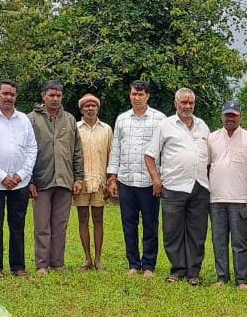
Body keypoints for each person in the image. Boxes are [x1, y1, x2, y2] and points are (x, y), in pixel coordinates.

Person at [144, 88, 210, 286]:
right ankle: (178, 269)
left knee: (197, 231)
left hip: (199, 186)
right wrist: (156, 180)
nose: (187, 106)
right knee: (172, 230)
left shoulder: (203, 126)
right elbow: (149, 155)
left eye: (191, 103)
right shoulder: (166, 125)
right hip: (173, 186)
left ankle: (193, 272)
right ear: (176, 104)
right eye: (184, 103)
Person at [0, 80, 38, 278]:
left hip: (20, 182)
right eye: (5, 93)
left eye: (12, 94)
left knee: (17, 225)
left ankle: (18, 266)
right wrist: (3, 176)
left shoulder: (23, 120)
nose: (8, 97)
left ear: (16, 96)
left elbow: (31, 148)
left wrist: (21, 175)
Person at [106, 80, 167, 278]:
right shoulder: (122, 119)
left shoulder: (159, 119)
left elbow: (165, 151)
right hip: (126, 180)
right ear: (130, 95)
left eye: (141, 95)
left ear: (147, 96)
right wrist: (113, 177)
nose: (137, 98)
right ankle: (133, 264)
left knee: (150, 224)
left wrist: (161, 178)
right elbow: (116, 149)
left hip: (150, 182)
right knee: (129, 224)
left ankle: (148, 265)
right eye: (134, 94)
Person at [28, 80, 84, 274]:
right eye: (51, 95)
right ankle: (42, 265)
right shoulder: (31, 119)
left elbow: (77, 149)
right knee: (42, 225)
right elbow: (25, 151)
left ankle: (57, 263)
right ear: (44, 96)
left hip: (65, 179)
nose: (55, 98)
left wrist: (78, 177)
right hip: (41, 179)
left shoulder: (69, 119)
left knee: (60, 225)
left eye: (58, 95)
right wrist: (30, 180)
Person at [206, 101, 247, 288]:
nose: (230, 118)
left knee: (239, 241)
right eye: (227, 115)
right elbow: (207, 166)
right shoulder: (211, 138)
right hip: (216, 198)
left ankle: (241, 280)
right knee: (219, 240)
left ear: (240, 116)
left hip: (239, 199)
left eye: (234, 115)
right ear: (222, 116)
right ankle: (222, 277)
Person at [74, 93, 112, 271]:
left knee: (98, 219)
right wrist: (75, 179)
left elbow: (111, 155)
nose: (90, 108)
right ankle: (87, 259)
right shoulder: (75, 128)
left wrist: (111, 179)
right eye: (86, 106)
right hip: (80, 182)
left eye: (93, 106)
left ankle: (98, 259)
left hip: (99, 181)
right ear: (81, 109)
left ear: (98, 108)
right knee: (83, 219)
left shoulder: (106, 129)